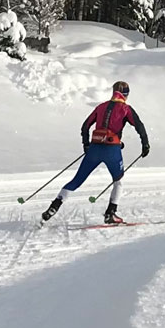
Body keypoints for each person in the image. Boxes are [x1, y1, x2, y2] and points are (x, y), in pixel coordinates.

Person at [42, 81, 150, 224]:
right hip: (112, 150)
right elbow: (139, 126)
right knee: (118, 182)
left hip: (94, 148)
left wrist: (86, 145)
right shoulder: (125, 108)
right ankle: (110, 213)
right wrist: (145, 144)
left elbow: (85, 127)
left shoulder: (101, 107)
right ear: (126, 94)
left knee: (76, 180)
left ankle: (54, 207)